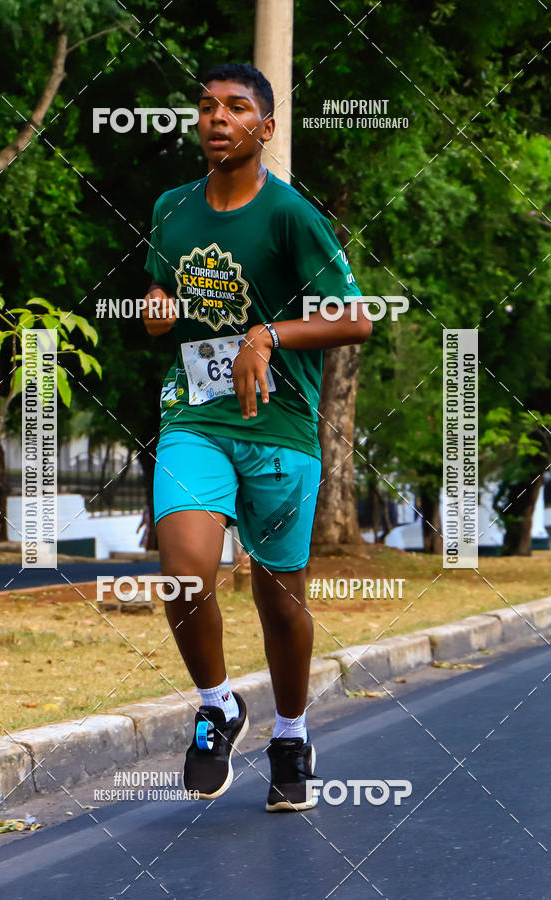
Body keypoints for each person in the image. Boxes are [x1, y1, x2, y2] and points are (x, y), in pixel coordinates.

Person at [142, 62, 371, 812]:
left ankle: (293, 734)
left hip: (278, 426)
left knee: (280, 598)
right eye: (207, 106)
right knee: (185, 570)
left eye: (237, 108)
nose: (217, 118)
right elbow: (161, 286)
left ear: (265, 130)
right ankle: (217, 705)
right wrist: (155, 305)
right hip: (195, 417)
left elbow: (355, 318)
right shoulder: (171, 209)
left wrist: (267, 333)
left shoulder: (291, 216)